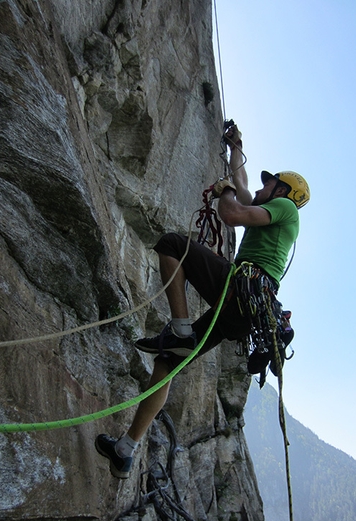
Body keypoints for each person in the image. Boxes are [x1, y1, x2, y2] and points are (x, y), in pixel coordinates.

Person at [95, 126, 310, 478]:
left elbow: (232, 213)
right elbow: (241, 185)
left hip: (244, 289)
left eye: (268, 183)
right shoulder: (272, 208)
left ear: (284, 191)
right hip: (243, 313)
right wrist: (235, 148)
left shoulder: (286, 207)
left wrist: (224, 192)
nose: (260, 187)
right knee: (166, 362)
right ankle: (125, 450)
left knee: (172, 244)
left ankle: (181, 330)